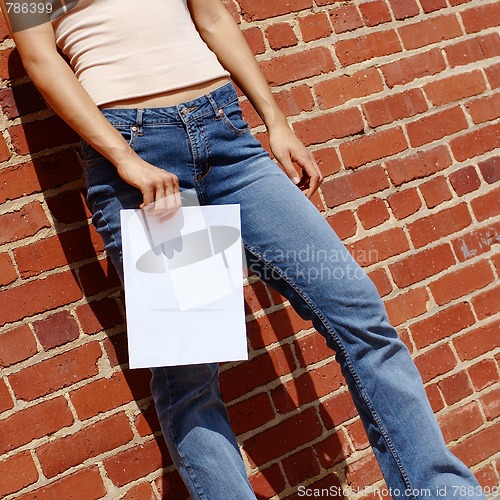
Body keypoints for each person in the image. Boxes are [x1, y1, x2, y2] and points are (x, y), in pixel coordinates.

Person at [2, 1, 487, 498]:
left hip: (226, 135)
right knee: (191, 371)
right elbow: (42, 60)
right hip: (141, 158)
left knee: (357, 311)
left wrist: (275, 119)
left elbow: (212, 19)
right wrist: (123, 156)